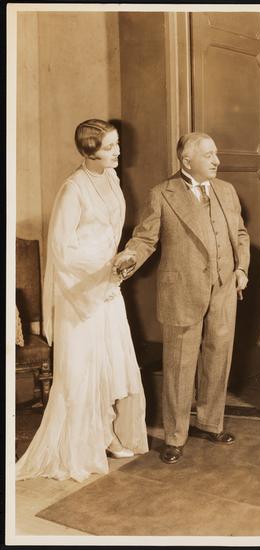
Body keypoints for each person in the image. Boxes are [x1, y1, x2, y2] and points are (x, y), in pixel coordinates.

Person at [16, 119, 149, 483]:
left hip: (106, 287)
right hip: (80, 292)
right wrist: (102, 268)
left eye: (117, 144)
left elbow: (109, 233)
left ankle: (106, 434)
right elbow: (62, 250)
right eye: (110, 147)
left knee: (110, 362)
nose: (118, 151)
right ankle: (80, 445)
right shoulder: (72, 189)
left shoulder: (111, 178)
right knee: (82, 367)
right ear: (89, 152)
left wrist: (119, 263)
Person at [113, 132, 250, 464]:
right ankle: (175, 436)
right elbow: (145, 239)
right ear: (187, 160)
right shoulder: (162, 194)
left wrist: (241, 269)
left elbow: (240, 234)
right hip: (182, 291)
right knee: (179, 365)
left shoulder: (226, 191)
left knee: (218, 358)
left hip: (223, 289)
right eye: (209, 155)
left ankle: (211, 423)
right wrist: (129, 257)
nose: (217, 160)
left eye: (216, 154)